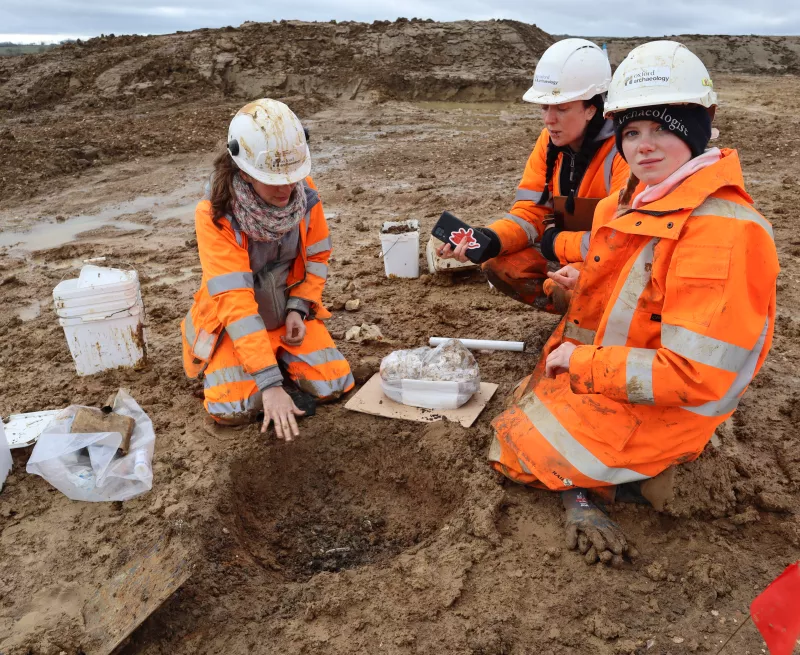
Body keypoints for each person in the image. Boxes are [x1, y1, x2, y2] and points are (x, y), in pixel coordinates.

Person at [488, 41, 779, 565]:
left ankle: (635, 481)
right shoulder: (647, 196)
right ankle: (621, 471)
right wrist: (576, 277)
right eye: (634, 133)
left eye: (663, 128)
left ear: (696, 129)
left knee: (514, 446)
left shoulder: (720, 232)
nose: (645, 146)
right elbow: (627, 280)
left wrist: (582, 362)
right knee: (524, 407)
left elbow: (694, 374)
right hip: (629, 368)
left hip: (667, 403)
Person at [181, 99, 354, 440]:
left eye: (292, 178)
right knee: (230, 408)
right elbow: (235, 301)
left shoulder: (305, 194)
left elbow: (317, 258)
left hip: (286, 316)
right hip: (236, 326)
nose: (286, 189)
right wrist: (271, 383)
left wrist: (298, 308)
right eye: (273, 180)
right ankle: (263, 365)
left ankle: (279, 356)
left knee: (333, 384)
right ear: (244, 170)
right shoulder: (215, 215)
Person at [437, 38, 630, 313]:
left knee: (566, 285)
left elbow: (617, 242)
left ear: (591, 108)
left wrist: (556, 244)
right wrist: (490, 239)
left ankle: (595, 321)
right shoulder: (549, 142)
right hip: (571, 251)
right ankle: (572, 315)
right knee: (498, 263)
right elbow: (531, 212)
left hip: (607, 259)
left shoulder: (625, 150)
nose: (550, 119)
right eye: (544, 107)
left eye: (562, 108)